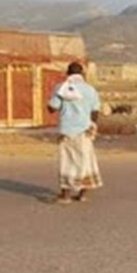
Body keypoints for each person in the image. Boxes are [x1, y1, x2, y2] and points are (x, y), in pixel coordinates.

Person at [47, 61, 102, 203]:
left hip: (66, 130)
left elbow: (52, 108)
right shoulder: (90, 90)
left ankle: (65, 195)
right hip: (85, 129)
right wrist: (93, 126)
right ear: (82, 73)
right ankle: (82, 194)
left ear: (67, 73)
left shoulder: (61, 88)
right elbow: (95, 111)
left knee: (67, 161)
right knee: (85, 160)